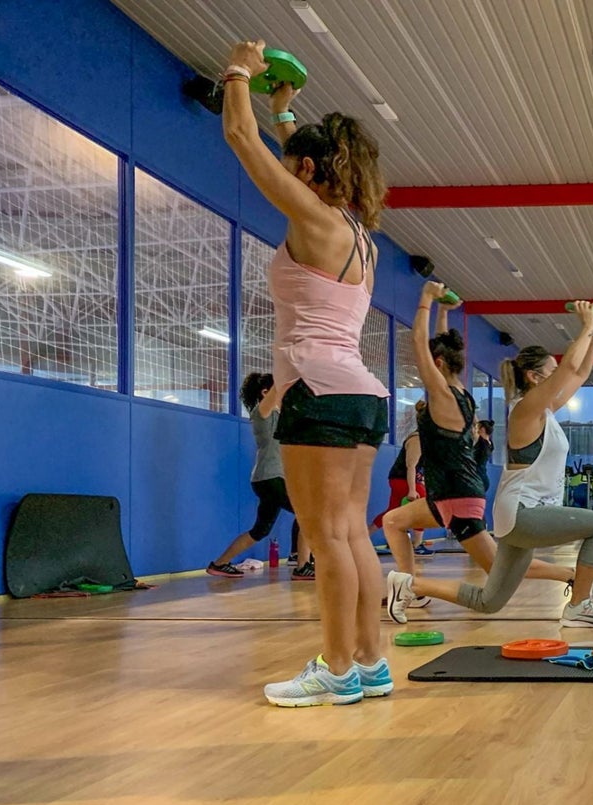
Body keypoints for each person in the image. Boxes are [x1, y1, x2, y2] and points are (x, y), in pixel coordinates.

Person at [223, 41, 391, 706]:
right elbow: (306, 156)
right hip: (361, 396)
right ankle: (371, 666)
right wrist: (285, 111)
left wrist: (238, 70)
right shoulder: (358, 233)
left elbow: (239, 134)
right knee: (352, 534)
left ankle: (337, 668)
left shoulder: (314, 219)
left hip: (318, 394)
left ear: (309, 172)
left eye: (295, 165)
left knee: (325, 539)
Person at [387, 301, 593, 628]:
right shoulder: (524, 410)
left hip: (519, 516)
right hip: (524, 513)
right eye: (550, 373)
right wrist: (584, 327)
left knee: (490, 601)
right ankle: (579, 606)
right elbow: (569, 369)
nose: (558, 379)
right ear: (534, 376)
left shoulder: (546, 411)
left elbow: (578, 373)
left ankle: (410, 585)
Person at [206, 373, 312, 579]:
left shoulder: (280, 415)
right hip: (271, 478)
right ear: (266, 392)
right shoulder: (262, 411)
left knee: (260, 530)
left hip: (268, 479)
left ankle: (219, 564)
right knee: (308, 515)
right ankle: (303, 566)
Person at [370, 428, 430, 556]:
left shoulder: (426, 440)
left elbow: (420, 468)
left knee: (391, 511)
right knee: (423, 508)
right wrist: (412, 489)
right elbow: (411, 466)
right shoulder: (417, 439)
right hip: (403, 480)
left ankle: (365, 536)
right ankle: (417, 545)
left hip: (403, 479)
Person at [474, 419, 495, 490]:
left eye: (477, 427)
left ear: (482, 429)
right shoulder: (490, 444)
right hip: (482, 477)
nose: (476, 429)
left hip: (478, 477)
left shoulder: (482, 443)